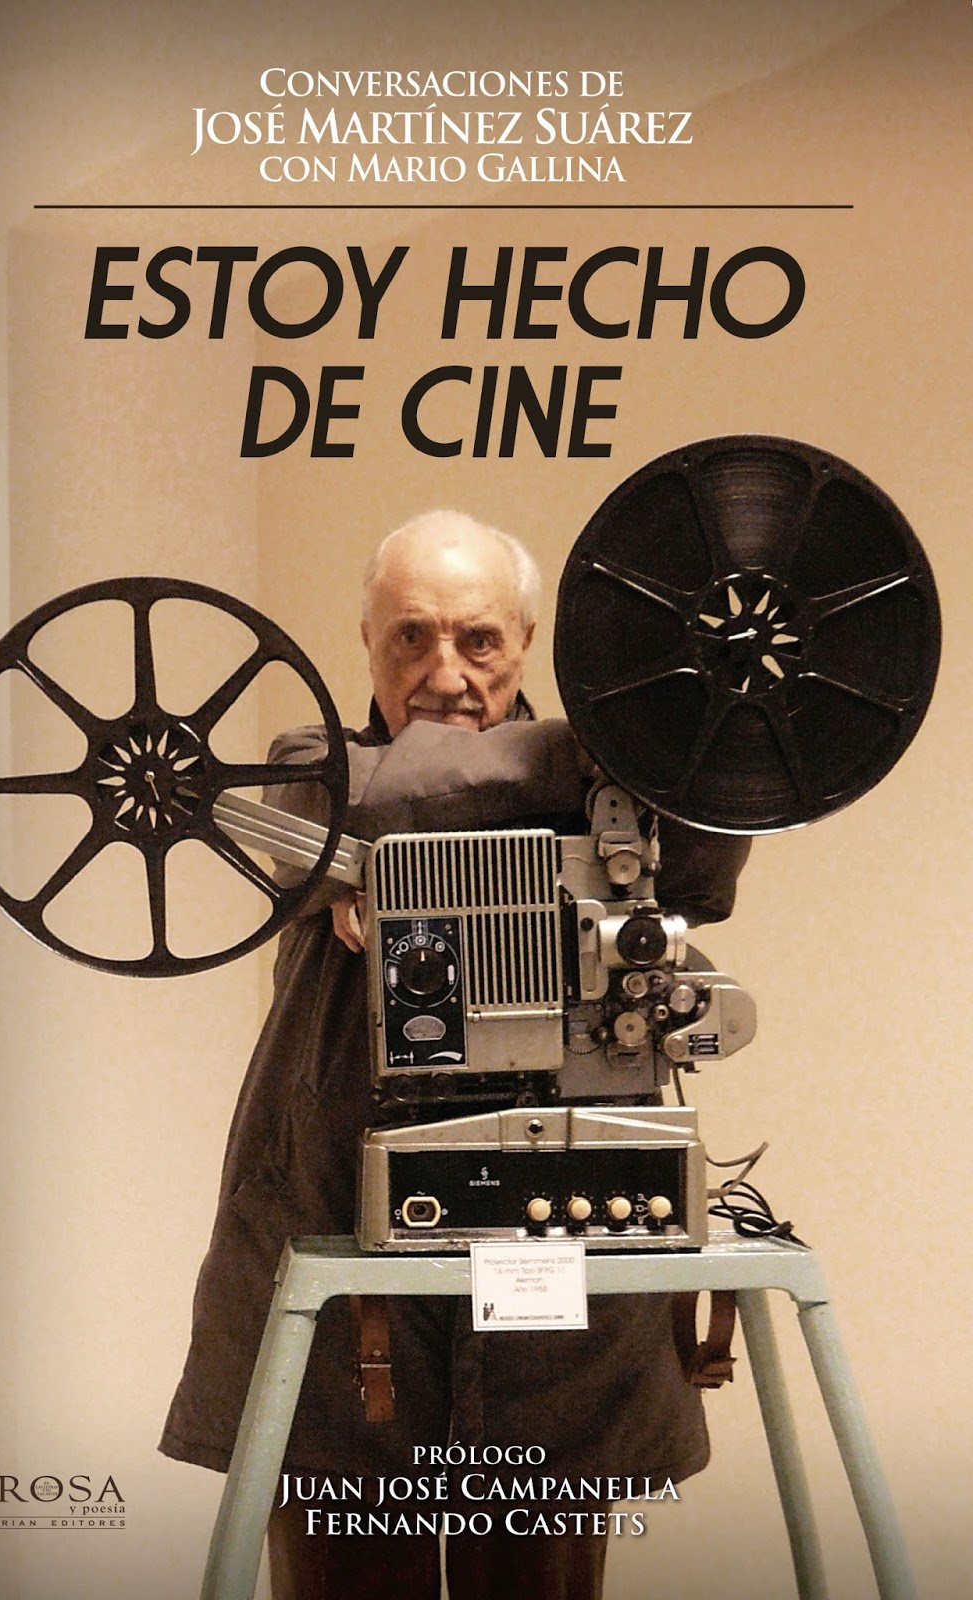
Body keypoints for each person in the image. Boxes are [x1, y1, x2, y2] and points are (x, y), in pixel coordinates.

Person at [160, 510, 750, 1599]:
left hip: (554, 1305)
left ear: (526, 639)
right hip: (339, 1275)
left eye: (478, 640)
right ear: (365, 642)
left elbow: (705, 867)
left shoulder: (619, 793)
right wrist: (599, 749)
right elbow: (344, 798)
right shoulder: (311, 767)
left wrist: (713, 718)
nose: (444, 675)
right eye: (410, 638)